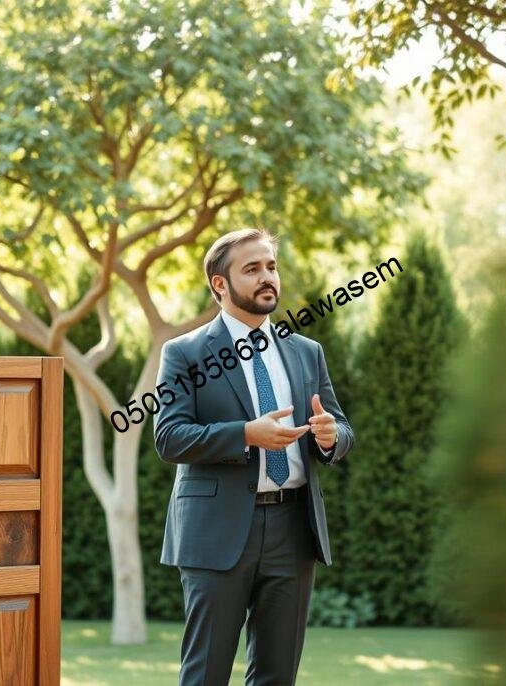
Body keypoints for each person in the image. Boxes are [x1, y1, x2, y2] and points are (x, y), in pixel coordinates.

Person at [153, 228, 355, 685]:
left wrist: (329, 436)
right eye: (252, 269)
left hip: (293, 531)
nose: (267, 278)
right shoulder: (184, 354)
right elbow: (169, 436)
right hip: (217, 534)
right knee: (205, 674)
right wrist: (246, 434)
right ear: (219, 284)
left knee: (277, 676)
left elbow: (341, 428)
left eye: (271, 267)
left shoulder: (307, 352)